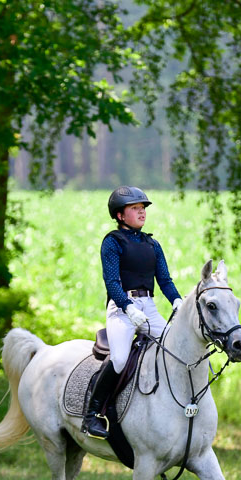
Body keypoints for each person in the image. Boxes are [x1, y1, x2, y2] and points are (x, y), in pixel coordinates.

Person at [83, 186, 183, 439]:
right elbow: (112, 282)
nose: (141, 213)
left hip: (148, 307)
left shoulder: (153, 244)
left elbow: (165, 280)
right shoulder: (112, 242)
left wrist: (177, 301)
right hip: (121, 308)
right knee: (118, 359)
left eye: (143, 209)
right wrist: (127, 307)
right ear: (120, 215)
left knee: (176, 348)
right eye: (135, 209)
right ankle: (92, 414)